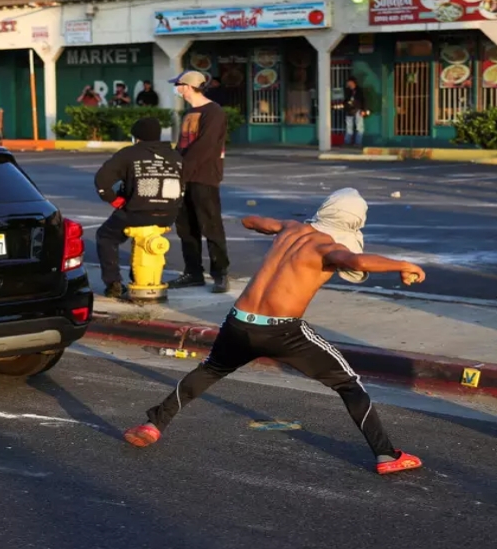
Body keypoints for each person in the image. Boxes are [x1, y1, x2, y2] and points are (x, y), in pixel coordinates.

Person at [123, 188, 428, 474]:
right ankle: (386, 454)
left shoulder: (290, 228)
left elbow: (250, 220)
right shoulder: (328, 247)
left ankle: (153, 424)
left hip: (238, 322)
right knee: (349, 383)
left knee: (210, 370)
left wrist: (271, 227)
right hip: (282, 332)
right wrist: (403, 265)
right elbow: (358, 260)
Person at [93, 117, 184, 298]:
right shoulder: (175, 156)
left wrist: (114, 200)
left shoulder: (129, 154)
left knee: (106, 236)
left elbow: (101, 181)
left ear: (137, 137)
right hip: (168, 214)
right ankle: (139, 277)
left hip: (137, 212)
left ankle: (113, 283)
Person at [168, 70, 231, 293]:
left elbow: (204, 147)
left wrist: (181, 170)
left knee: (210, 226)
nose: (176, 89)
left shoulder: (214, 112)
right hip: (184, 176)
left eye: (178, 85)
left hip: (204, 177)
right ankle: (193, 272)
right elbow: (182, 145)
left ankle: (220, 273)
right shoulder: (189, 112)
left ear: (187, 86)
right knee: (186, 228)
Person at [342, 78, 369, 147]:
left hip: (358, 109)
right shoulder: (347, 91)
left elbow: (364, 100)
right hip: (349, 110)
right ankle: (347, 142)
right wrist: (346, 105)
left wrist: (364, 110)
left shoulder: (359, 90)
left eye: (349, 82)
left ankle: (358, 142)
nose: (348, 84)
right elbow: (345, 100)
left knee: (359, 126)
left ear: (353, 82)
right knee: (349, 127)